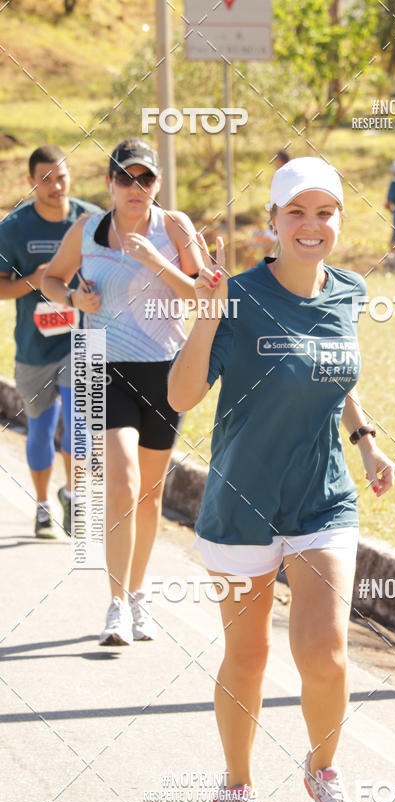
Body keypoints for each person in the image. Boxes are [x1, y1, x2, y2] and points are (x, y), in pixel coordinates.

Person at [169, 156, 395, 802]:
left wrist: (364, 438)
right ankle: (236, 792)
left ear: (338, 222)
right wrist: (206, 318)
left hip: (322, 498)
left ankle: (323, 770)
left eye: (324, 212)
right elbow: (180, 398)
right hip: (242, 505)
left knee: (325, 656)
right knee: (249, 655)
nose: (310, 225)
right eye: (295, 212)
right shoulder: (233, 297)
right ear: (272, 222)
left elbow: (329, 370)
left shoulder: (349, 290)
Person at [43, 138, 205, 645]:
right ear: (110, 183)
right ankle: (115, 604)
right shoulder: (86, 231)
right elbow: (50, 279)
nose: (137, 189)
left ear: (157, 184)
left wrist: (158, 260)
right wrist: (73, 297)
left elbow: (202, 294)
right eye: (125, 179)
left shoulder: (174, 227)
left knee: (151, 495)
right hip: (105, 367)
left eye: (146, 179)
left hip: (165, 371)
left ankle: (138, 595)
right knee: (122, 485)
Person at [0, 146, 101, 538]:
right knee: (41, 428)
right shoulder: (13, 229)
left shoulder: (90, 220)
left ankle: (74, 497)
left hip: (80, 342)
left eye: (61, 177)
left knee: (79, 422)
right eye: (46, 179)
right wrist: (35, 280)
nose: (55, 186)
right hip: (34, 347)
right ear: (31, 182)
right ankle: (43, 506)